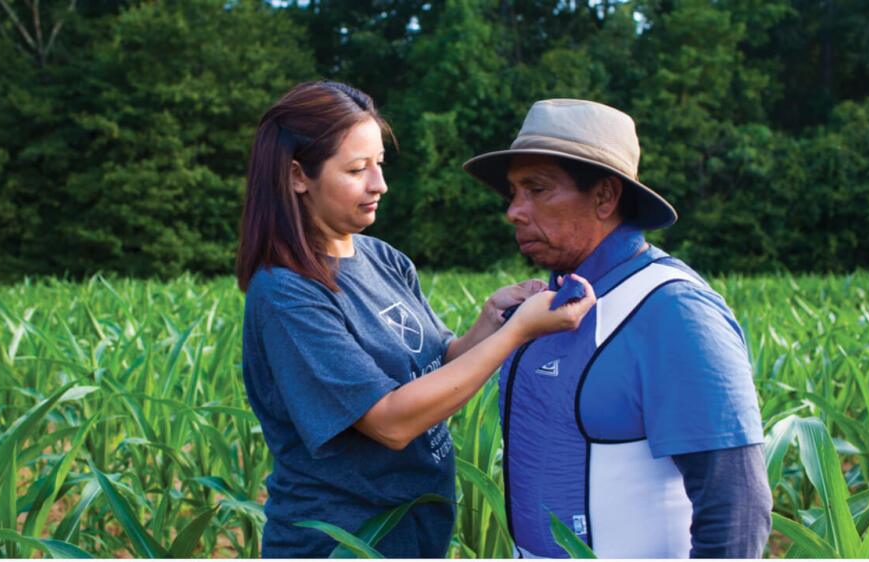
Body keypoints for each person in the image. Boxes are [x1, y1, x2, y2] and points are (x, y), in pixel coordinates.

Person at [236, 81, 596, 558]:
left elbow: (438, 364)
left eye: (379, 164)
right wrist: (517, 333)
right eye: (357, 169)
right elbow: (390, 422)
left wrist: (490, 320)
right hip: (343, 543)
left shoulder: (383, 259)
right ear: (298, 176)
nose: (379, 184)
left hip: (414, 535)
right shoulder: (288, 293)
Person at [463, 99, 773, 558]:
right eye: (513, 192)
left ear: (606, 197)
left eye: (538, 189)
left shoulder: (672, 310)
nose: (514, 211)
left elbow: (738, 507)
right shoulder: (546, 304)